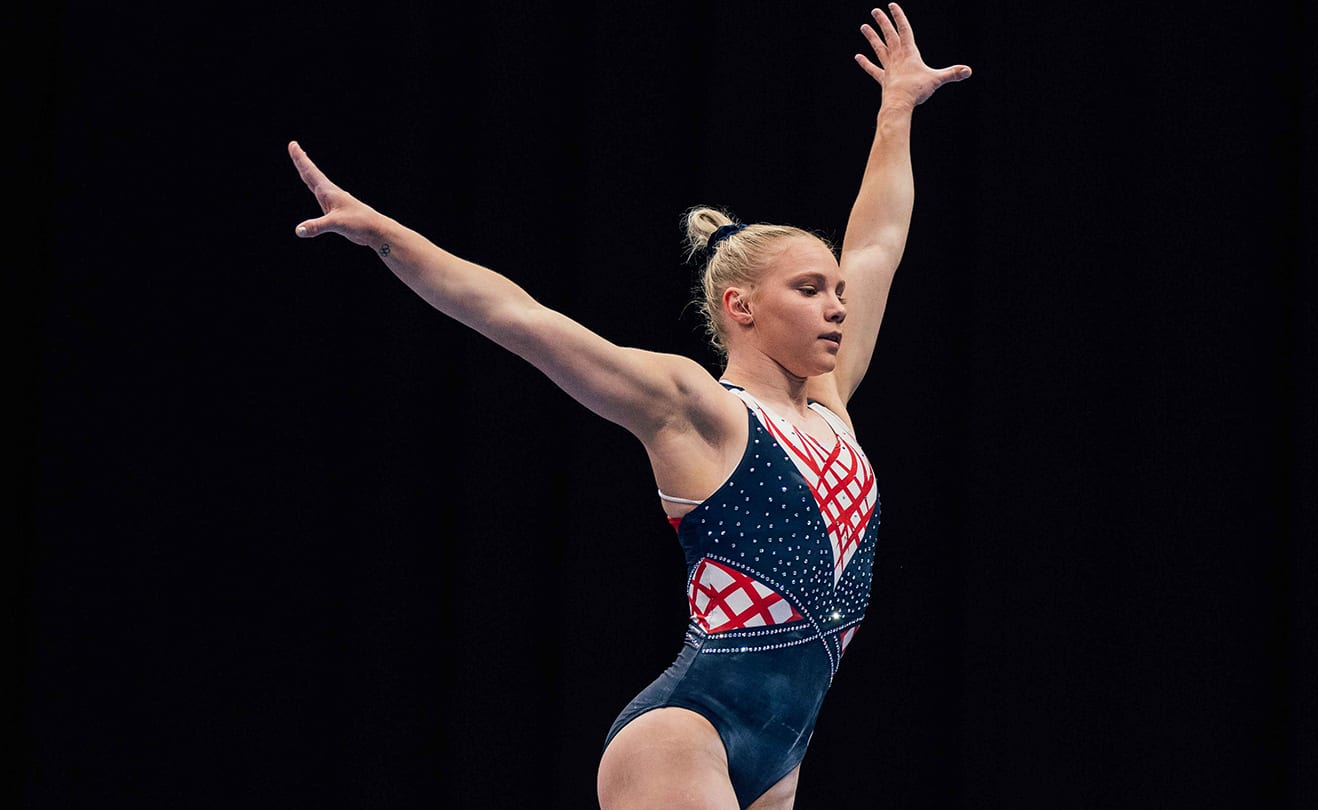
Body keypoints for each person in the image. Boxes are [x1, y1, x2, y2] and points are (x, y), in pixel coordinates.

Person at [289, 4, 969, 807]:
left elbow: (878, 242)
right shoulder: (699, 409)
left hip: (783, 751)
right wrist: (390, 239)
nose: (837, 307)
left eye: (835, 292)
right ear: (740, 306)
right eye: (810, 289)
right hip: (687, 733)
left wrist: (897, 110)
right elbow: (523, 321)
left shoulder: (831, 405)